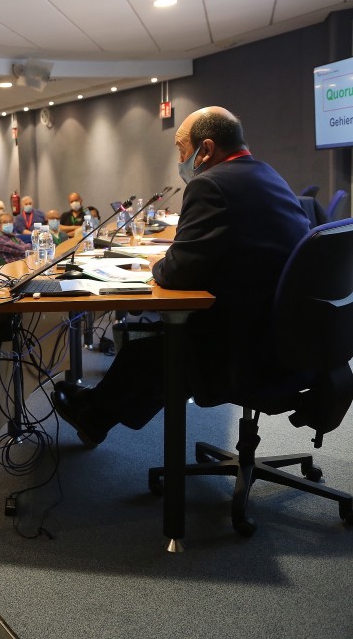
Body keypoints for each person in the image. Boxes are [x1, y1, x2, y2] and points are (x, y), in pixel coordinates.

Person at [53, 106, 311, 448]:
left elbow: (176, 274)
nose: (180, 159)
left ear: (206, 149)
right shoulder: (268, 174)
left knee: (146, 354)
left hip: (247, 347)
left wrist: (158, 263)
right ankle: (94, 411)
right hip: (292, 336)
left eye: (181, 149)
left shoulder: (210, 184)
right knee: (153, 349)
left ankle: (93, 415)